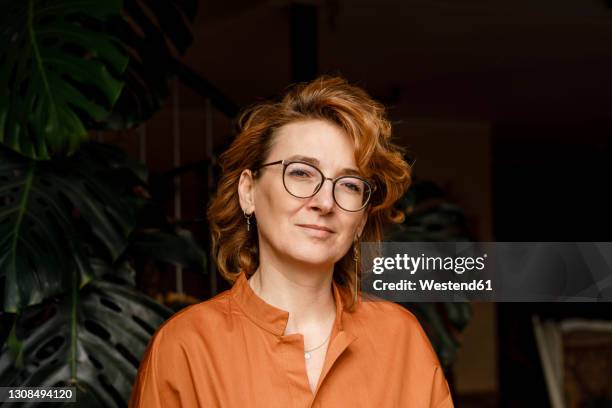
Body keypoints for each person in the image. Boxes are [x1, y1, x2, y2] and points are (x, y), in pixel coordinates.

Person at [129, 76, 454, 407]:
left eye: (349, 184)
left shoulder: (402, 339)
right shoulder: (184, 347)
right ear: (248, 191)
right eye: (301, 173)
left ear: (361, 220)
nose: (325, 202)